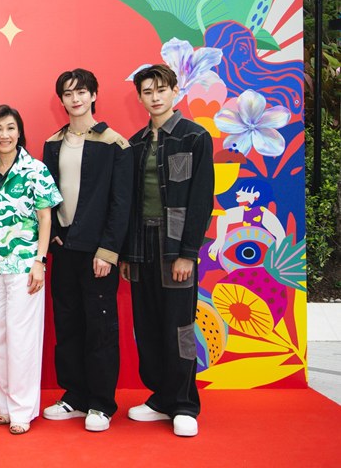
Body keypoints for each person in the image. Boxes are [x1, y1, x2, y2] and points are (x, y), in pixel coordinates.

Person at [118, 64, 215, 438]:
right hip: (141, 246)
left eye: (161, 89)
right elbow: (128, 204)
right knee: (147, 325)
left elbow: (201, 199)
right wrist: (126, 254)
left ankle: (184, 404)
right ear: (140, 97)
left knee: (179, 327)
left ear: (175, 91)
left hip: (175, 246)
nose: (155, 97)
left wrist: (188, 253)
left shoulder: (194, 137)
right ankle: (160, 399)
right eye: (147, 91)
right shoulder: (136, 143)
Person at [41, 69, 133, 432]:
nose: (75, 98)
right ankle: (74, 397)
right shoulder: (53, 143)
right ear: (61, 100)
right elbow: (46, 197)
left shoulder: (114, 143)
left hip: (98, 252)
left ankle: (101, 403)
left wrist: (108, 251)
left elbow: (121, 204)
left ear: (94, 95)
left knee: (100, 326)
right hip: (64, 248)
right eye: (68, 93)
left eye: (81, 92)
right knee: (67, 324)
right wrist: (53, 235)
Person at [0, 105, 62, 435]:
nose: (4, 135)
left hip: (24, 266)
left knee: (22, 338)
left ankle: (22, 409)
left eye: (10, 128)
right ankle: (2, 404)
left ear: (20, 133)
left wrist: (40, 261)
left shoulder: (35, 170)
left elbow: (45, 218)